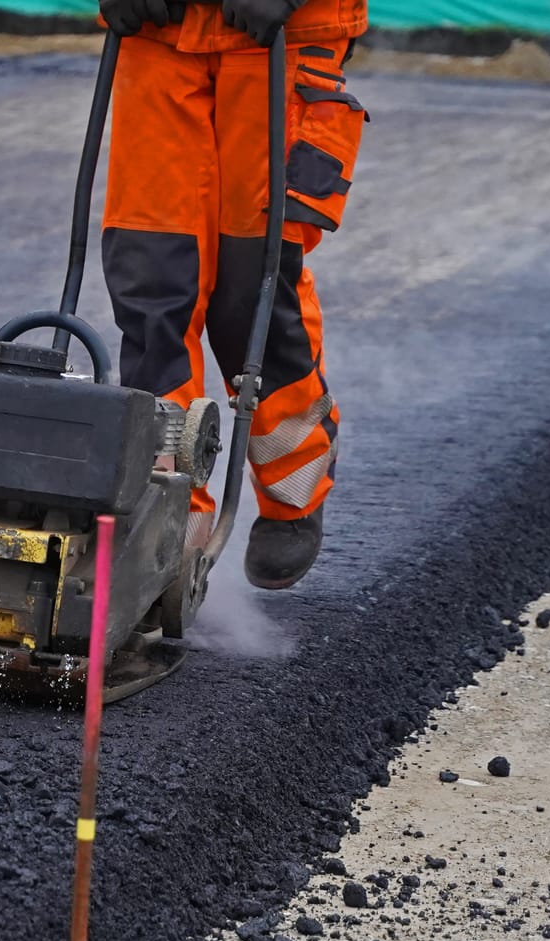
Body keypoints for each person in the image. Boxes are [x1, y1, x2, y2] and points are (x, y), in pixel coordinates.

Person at [97, 0, 367, 588]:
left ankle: (293, 488)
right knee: (153, 285)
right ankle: (167, 523)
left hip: (279, 33)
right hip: (158, 30)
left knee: (253, 292)